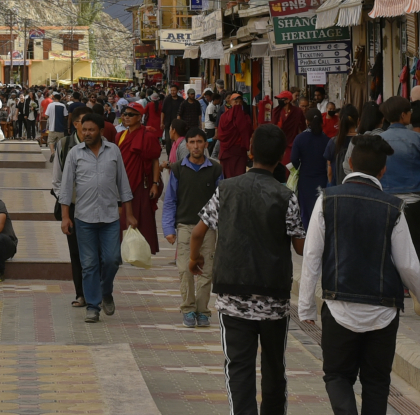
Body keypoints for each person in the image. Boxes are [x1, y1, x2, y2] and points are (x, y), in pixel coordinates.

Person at [295, 133, 420, 415]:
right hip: (383, 313)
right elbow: (409, 268)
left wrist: (305, 308)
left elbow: (312, 256)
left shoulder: (326, 200)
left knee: (337, 376)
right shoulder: (394, 208)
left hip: (339, 308)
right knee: (377, 383)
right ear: (383, 169)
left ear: (349, 164)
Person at [191, 124, 303, 415]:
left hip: (233, 297)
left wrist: (194, 259)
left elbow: (198, 233)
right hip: (274, 299)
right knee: (274, 366)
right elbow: (301, 247)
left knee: (238, 367)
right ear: (281, 157)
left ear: (250, 152)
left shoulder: (226, 189)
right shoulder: (286, 196)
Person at [56, 111, 135, 324]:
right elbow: (65, 189)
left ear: (101, 131)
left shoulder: (114, 152)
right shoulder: (74, 154)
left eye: (91, 130)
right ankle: (92, 306)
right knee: (89, 264)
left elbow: (123, 185)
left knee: (112, 260)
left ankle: (106, 291)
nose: (87, 134)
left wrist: (129, 214)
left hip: (110, 218)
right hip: (84, 219)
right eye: (84, 130)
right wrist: (65, 217)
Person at [375, 98, 420, 289]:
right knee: (417, 242)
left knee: (389, 243)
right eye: (409, 111)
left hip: (386, 198)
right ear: (403, 115)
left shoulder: (380, 139)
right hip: (413, 198)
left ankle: (394, 283)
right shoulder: (417, 138)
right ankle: (417, 283)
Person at [171, 129, 223, 326]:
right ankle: (188, 308)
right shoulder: (178, 169)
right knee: (185, 269)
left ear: (205, 144)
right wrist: (169, 228)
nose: (195, 146)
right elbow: (171, 200)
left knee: (206, 269)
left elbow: (222, 201)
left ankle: (203, 311)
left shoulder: (216, 170)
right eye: (191, 142)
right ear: (187, 145)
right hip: (185, 225)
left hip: (209, 227)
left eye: (199, 142)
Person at [117, 102, 163, 256]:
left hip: (141, 182)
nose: (126, 117)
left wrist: (155, 183)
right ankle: (123, 249)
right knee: (122, 218)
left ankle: (142, 251)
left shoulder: (148, 136)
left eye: (131, 115)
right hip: (123, 182)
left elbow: (155, 160)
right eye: (125, 114)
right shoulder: (120, 135)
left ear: (139, 117)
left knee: (142, 216)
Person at [289, 93, 330, 230]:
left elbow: (294, 159)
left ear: (307, 121)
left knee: (306, 211)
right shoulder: (327, 140)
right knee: (321, 210)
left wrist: (300, 168)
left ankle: (308, 236)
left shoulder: (300, 139)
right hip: (322, 179)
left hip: (305, 179)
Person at [216, 91, 253, 178]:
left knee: (239, 176)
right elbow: (221, 135)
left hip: (239, 152)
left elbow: (248, 132)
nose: (238, 104)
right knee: (228, 176)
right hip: (227, 151)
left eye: (240, 103)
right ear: (230, 102)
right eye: (236, 102)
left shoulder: (246, 117)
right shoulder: (224, 117)